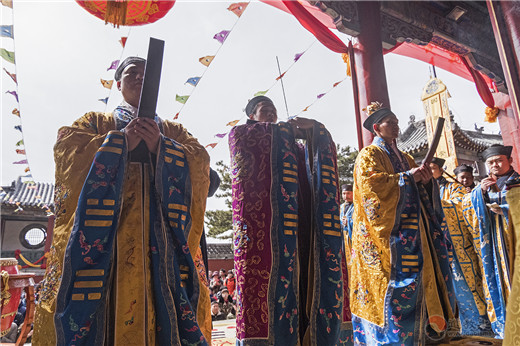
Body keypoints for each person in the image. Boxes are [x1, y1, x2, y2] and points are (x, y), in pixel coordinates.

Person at [32, 56, 212, 345]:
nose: (141, 77)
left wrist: (161, 147)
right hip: (107, 245)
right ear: (118, 83)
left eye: (147, 73)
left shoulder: (172, 131)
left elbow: (200, 159)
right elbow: (67, 149)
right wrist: (118, 142)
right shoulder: (97, 122)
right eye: (133, 73)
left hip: (162, 246)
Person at [229, 96, 349, 345]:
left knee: (307, 277)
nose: (272, 114)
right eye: (265, 110)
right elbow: (246, 146)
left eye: (274, 110)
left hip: (302, 229)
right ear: (251, 116)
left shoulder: (299, 149)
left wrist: (315, 131)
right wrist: (286, 130)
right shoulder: (242, 135)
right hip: (267, 234)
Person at [350, 103, 458, 345]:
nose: (396, 125)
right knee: (396, 284)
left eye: (397, 121)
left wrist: (426, 182)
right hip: (389, 237)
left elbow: (418, 186)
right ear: (377, 128)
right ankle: (396, 337)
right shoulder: (369, 155)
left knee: (428, 275)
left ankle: (432, 330)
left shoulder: (406, 157)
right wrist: (408, 177)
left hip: (418, 231)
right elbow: (372, 188)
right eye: (391, 122)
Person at [462, 144, 520, 338]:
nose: (494, 165)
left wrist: (505, 210)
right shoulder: (484, 185)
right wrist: (482, 194)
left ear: (509, 161)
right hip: (495, 244)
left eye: (499, 160)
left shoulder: (517, 182)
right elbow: (467, 208)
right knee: (498, 280)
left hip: (514, 241)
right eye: (490, 162)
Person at [430, 157, 492, 336]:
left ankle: (478, 323)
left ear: (441, 170)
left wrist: (437, 205)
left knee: (467, 281)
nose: (429, 171)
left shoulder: (453, 187)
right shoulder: (426, 189)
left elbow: (462, 203)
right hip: (437, 245)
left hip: (457, 245)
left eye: (433, 168)